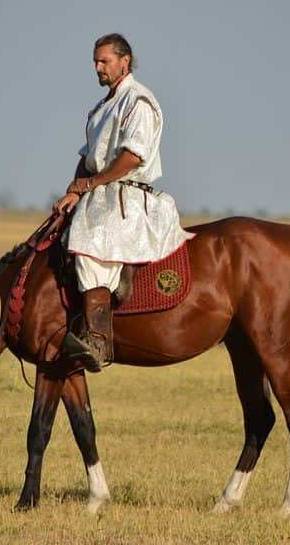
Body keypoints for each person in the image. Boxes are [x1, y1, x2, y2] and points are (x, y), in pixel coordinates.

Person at [54, 33, 194, 372]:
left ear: (124, 62)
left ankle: (97, 342)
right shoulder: (102, 107)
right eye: (95, 61)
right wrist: (75, 190)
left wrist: (92, 183)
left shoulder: (139, 102)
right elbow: (88, 157)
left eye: (104, 61)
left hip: (126, 195)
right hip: (100, 193)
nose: (97, 68)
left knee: (90, 248)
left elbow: (132, 157)